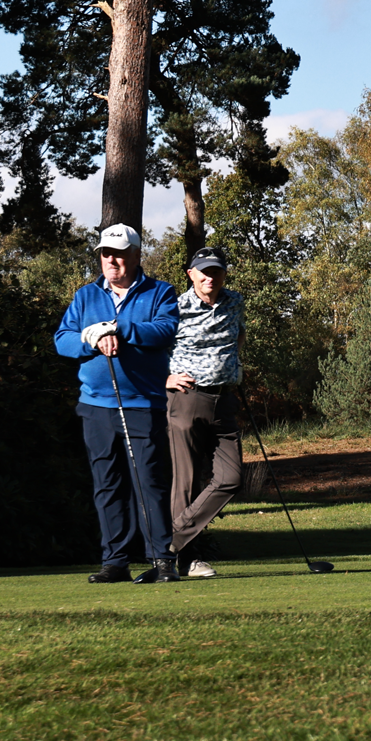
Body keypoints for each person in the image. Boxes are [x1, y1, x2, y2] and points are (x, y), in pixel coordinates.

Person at [54, 224, 182, 583]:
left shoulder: (160, 292)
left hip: (143, 403)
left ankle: (162, 560)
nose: (112, 260)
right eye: (106, 253)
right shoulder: (85, 296)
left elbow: (164, 330)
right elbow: (62, 340)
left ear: (136, 255)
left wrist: (118, 329)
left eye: (120, 253)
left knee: (150, 482)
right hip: (95, 406)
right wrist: (90, 338)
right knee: (107, 485)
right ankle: (116, 561)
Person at [164, 246, 247, 578]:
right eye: (203, 271)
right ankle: (188, 559)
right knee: (184, 483)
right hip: (186, 398)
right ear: (191, 274)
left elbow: (239, 335)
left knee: (231, 478)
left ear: (224, 274)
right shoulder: (174, 306)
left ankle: (169, 542)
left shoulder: (235, 301)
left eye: (216, 271)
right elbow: (150, 345)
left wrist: (234, 367)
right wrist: (163, 378)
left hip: (225, 401)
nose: (210, 277)